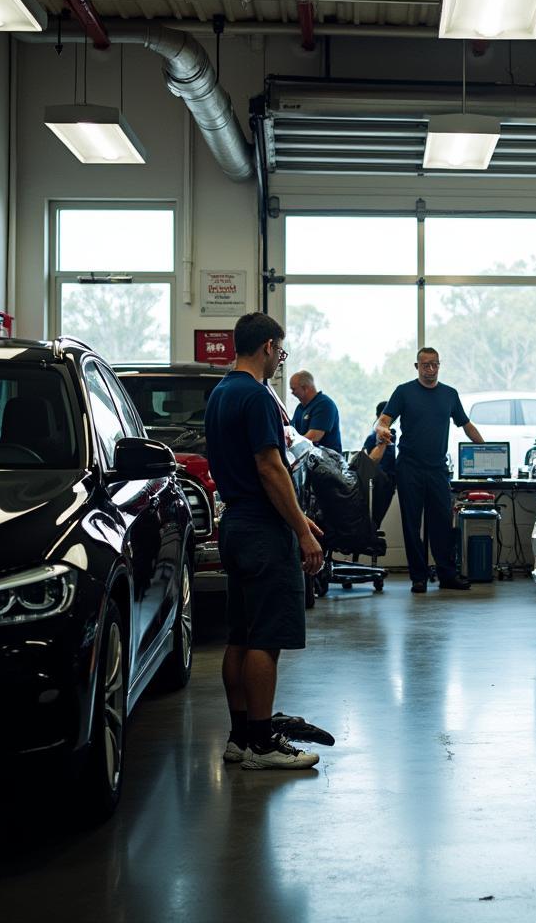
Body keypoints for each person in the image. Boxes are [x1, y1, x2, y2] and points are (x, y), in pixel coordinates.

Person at [206, 312, 325, 770]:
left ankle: (239, 737)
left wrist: (298, 520)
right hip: (261, 529)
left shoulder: (219, 394)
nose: (280, 360)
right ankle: (261, 744)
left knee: (239, 634)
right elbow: (271, 468)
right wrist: (299, 528)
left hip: (235, 523)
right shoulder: (256, 396)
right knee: (265, 640)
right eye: (281, 351)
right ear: (269, 348)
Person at [375, 347, 485, 594]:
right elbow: (384, 420)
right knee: (411, 524)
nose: (430, 369)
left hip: (437, 469)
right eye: (425, 365)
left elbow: (466, 425)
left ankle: (446, 574)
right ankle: (419, 577)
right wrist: (381, 429)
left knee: (441, 524)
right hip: (409, 468)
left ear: (439, 365)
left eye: (435, 364)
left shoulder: (449, 394)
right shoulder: (404, 392)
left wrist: (486, 450)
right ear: (417, 367)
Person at [289, 370, 343, 453]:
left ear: (305, 388)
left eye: (294, 389)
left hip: (327, 462)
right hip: (306, 460)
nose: (292, 393)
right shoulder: (300, 408)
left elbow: (312, 437)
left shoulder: (324, 405)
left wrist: (289, 446)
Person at [364, 400, 397, 484]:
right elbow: (369, 462)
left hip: (389, 479)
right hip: (378, 480)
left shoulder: (392, 435)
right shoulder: (372, 438)